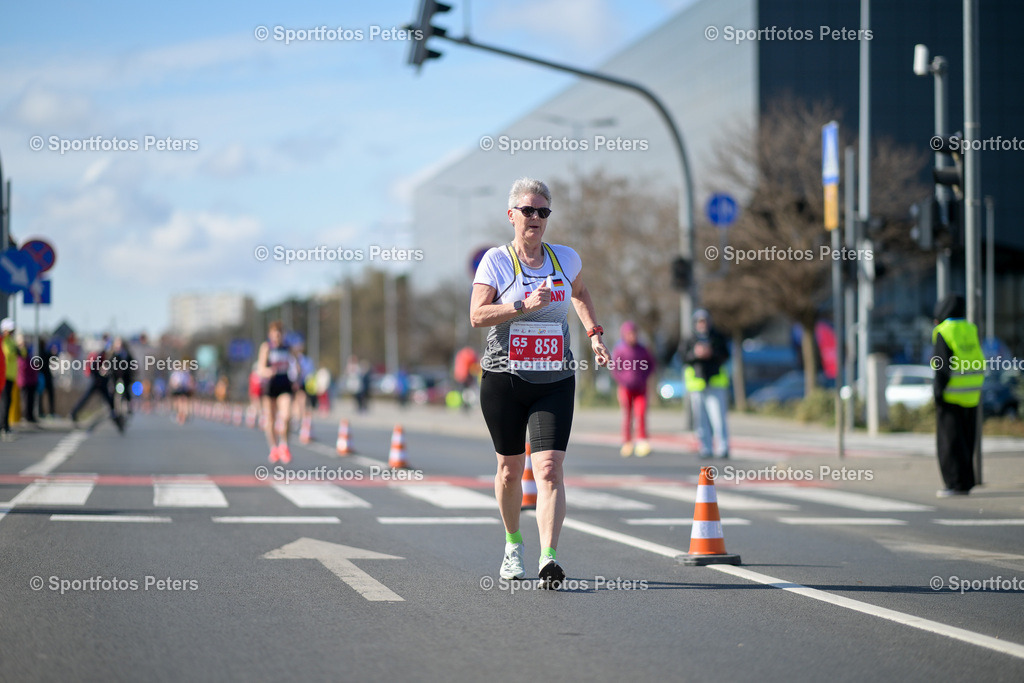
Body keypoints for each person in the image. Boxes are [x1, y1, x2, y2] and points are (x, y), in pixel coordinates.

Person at [470, 177, 610, 589]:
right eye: (528, 210)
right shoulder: (496, 261)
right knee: (510, 472)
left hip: (554, 378)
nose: (535, 218)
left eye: (543, 211)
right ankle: (514, 544)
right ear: (511, 215)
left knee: (548, 468)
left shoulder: (565, 258)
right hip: (504, 378)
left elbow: (580, 292)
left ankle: (549, 557)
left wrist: (594, 333)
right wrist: (521, 305)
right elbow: (477, 316)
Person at [931, 294, 984, 497]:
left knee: (949, 443)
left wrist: (937, 393)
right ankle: (966, 482)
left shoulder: (944, 331)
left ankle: (953, 483)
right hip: (971, 395)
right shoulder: (970, 329)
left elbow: (941, 366)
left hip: (950, 396)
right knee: (967, 441)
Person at [683, 309, 730, 459]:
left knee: (718, 418)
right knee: (700, 420)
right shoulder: (689, 339)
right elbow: (683, 357)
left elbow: (726, 355)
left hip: (715, 383)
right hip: (697, 385)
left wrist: (711, 353)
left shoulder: (717, 337)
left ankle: (722, 447)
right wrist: (695, 354)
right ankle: (705, 448)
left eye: (704, 321)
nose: (702, 324)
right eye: (699, 321)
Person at [609, 321, 656, 457]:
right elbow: (615, 369)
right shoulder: (620, 349)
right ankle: (627, 442)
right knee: (627, 415)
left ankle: (642, 441)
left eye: (634, 333)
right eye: (629, 334)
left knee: (641, 414)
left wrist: (644, 377)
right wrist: (623, 381)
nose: (632, 336)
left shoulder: (643, 349)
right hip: (625, 388)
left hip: (641, 388)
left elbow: (651, 364)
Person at [257, 321, 295, 463]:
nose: (277, 335)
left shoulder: (288, 348)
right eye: (274, 332)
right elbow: (260, 368)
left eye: (280, 332)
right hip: (270, 385)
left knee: (286, 416)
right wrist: (267, 372)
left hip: (284, 382)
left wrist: (297, 374)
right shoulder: (266, 348)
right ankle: (273, 448)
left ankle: (284, 445)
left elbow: (296, 364)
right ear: (270, 334)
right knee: (271, 419)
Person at [69, 340, 125, 433]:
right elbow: (93, 368)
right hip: (98, 382)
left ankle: (117, 421)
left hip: (102, 383)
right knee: (87, 398)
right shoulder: (101, 356)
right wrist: (98, 377)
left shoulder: (109, 357)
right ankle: (74, 413)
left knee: (110, 402)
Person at [16, 334, 38, 424]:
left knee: (31, 400)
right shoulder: (21, 356)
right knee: (26, 400)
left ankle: (30, 416)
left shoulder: (28, 355)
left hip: (31, 380)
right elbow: (24, 367)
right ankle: (26, 416)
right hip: (25, 381)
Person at [1, 319, 17, 439]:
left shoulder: (11, 341)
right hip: (4, 375)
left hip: (11, 375)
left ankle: (6, 426)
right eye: (10, 331)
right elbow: (9, 354)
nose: (11, 333)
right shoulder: (4, 341)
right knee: (5, 402)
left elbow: (22, 353)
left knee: (8, 401)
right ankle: (4, 427)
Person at [37, 338, 57, 419]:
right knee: (47, 394)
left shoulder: (38, 353)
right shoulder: (43, 353)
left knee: (41, 395)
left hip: (42, 376)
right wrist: (54, 353)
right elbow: (53, 357)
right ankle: (49, 411)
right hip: (44, 376)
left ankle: (42, 411)